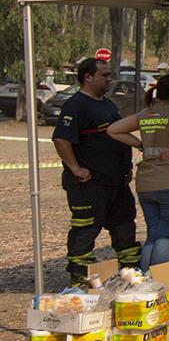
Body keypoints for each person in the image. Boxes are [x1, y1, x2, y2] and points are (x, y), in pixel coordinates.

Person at [52, 56, 139, 283]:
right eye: (105, 75)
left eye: (110, 75)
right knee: (86, 228)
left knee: (125, 227)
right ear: (88, 77)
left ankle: (131, 274)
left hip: (116, 183)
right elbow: (61, 139)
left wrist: (127, 166)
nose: (110, 79)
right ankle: (80, 276)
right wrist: (75, 168)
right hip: (90, 184)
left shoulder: (108, 105)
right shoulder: (76, 104)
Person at [107, 73, 169, 275]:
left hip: (148, 182)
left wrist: (140, 144)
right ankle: (157, 282)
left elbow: (114, 130)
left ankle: (144, 280)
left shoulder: (147, 114)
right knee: (167, 236)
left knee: (154, 234)